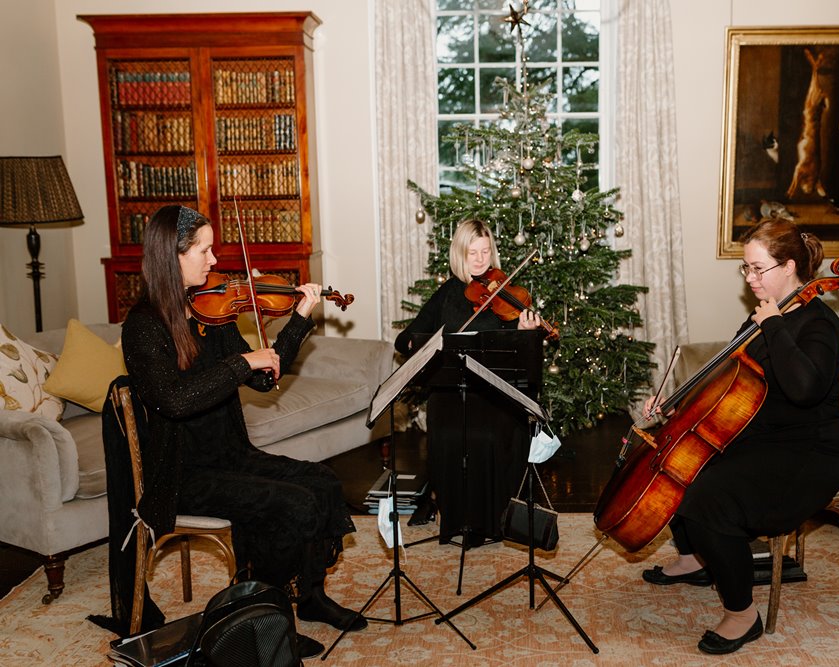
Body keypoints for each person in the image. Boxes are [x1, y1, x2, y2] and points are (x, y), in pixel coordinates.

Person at [109, 204, 365, 646]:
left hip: (231, 456)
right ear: (172, 256)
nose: (214, 262)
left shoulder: (214, 313)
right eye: (204, 251)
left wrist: (297, 322)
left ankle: (311, 595)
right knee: (291, 505)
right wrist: (239, 362)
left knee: (322, 481)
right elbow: (175, 399)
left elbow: (264, 378)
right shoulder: (144, 327)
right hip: (184, 474)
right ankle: (262, 616)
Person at [640, 219, 839, 655]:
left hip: (811, 451)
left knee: (709, 497)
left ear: (790, 266)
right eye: (746, 270)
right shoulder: (762, 315)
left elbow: (804, 389)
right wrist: (676, 406)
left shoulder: (819, 324)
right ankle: (694, 558)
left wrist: (774, 325)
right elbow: (728, 377)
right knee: (679, 461)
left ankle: (742, 613)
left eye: (758, 269)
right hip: (763, 437)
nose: (751, 279)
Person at [395, 218, 541, 547]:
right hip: (451, 388)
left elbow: (520, 355)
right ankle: (456, 517)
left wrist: (524, 334)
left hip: (493, 390)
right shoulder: (447, 292)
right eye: (472, 252)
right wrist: (412, 343)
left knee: (488, 433)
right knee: (447, 431)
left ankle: (493, 520)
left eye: (485, 251)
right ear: (459, 254)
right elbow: (407, 336)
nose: (479, 259)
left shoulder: (507, 294)